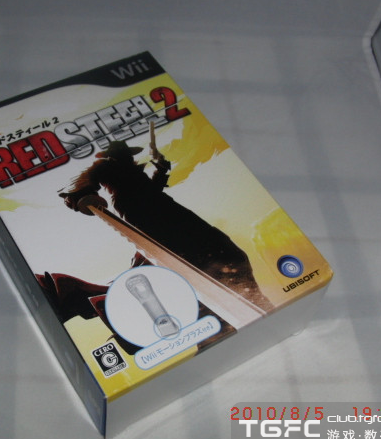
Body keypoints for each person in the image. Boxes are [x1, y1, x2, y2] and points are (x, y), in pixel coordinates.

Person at [59, 129, 274, 312]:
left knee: (221, 246)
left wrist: (161, 170)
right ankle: (228, 291)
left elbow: (152, 189)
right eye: (121, 153)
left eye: (126, 153)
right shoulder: (104, 168)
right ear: (113, 155)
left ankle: (253, 297)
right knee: (191, 249)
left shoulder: (131, 169)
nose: (126, 156)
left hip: (163, 207)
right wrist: (80, 196)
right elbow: (84, 184)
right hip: (140, 211)